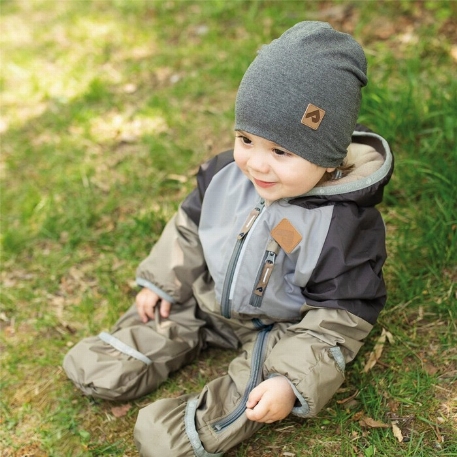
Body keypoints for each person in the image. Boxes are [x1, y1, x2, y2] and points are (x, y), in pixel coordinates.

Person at [63, 21, 394, 456]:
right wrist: (162, 281)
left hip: (279, 330)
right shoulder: (226, 174)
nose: (256, 164)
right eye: (245, 139)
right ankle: (138, 346)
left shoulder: (343, 226)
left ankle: (203, 422)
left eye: (281, 152)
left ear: (328, 159)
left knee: (203, 420)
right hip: (210, 299)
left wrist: (290, 382)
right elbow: (188, 229)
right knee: (102, 362)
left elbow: (338, 320)